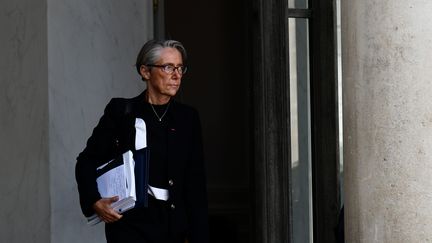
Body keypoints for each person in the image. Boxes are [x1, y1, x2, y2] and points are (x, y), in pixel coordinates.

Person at [75, 39, 209, 243]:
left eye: (180, 68)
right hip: (130, 228)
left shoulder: (187, 118)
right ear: (145, 72)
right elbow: (86, 161)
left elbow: (196, 185)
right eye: (168, 67)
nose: (176, 75)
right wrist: (94, 201)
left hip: (174, 228)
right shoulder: (120, 113)